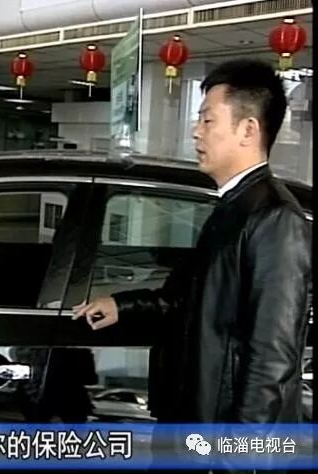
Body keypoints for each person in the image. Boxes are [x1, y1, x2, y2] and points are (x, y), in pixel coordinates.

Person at [73, 59, 312, 428]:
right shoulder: (233, 206)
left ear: (248, 130)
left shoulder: (276, 219)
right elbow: (190, 299)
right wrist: (124, 305)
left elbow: (272, 360)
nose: (196, 131)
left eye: (207, 120)